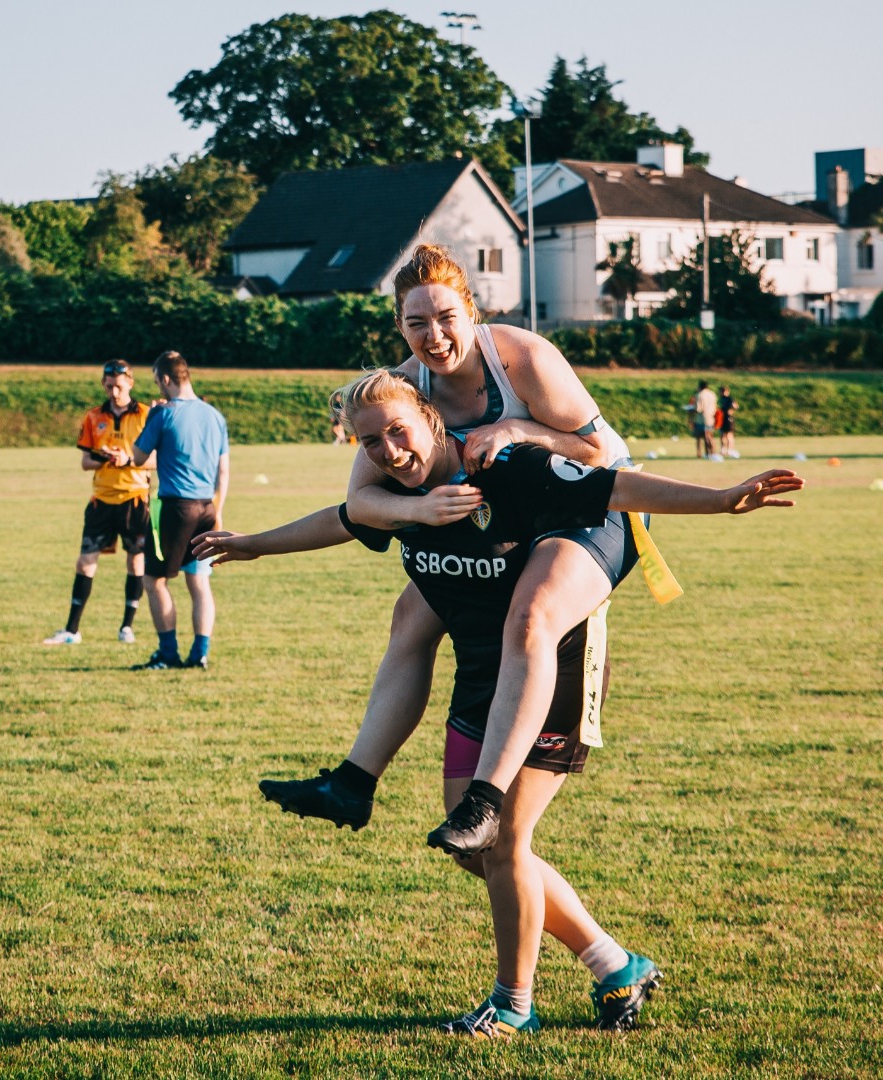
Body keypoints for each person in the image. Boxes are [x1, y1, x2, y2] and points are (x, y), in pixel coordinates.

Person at [193, 369, 803, 1034]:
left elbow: (617, 486)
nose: (390, 451)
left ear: (431, 419)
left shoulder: (504, 467)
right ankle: (616, 964)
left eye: (398, 432)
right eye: (371, 443)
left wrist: (723, 498)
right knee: (475, 848)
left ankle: (513, 1005)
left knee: (507, 838)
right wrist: (252, 544)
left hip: (555, 670)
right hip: (481, 677)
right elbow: (339, 522)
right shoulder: (396, 494)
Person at [257, 243, 647, 858]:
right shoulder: (406, 390)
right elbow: (360, 502)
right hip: (514, 508)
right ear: (399, 326)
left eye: (445, 318)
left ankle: (485, 799)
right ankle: (354, 783)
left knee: (533, 615)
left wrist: (517, 429)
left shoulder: (520, 358)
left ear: (472, 312)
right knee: (411, 614)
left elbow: (597, 455)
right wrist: (415, 510)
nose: (433, 336)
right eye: (416, 323)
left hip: (595, 504)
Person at [43, 360, 152, 647]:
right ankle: (72, 629)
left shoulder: (145, 415)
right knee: (85, 562)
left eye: (119, 385)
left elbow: (157, 459)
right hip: (101, 500)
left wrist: (127, 460)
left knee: (136, 560)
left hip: (135, 499)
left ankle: (127, 627)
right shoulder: (94, 417)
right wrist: (104, 457)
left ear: (130, 382)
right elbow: (85, 461)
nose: (114, 391)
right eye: (109, 386)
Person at [131, 351, 229, 670]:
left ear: (166, 379)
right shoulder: (214, 415)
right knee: (198, 583)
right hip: (207, 507)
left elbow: (137, 456)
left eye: (157, 381)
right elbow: (223, 470)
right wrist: (219, 509)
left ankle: (168, 653)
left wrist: (150, 419)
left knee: (154, 580)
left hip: (175, 508)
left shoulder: (163, 413)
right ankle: (200, 653)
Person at [689, 380, 718, 460]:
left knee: (701, 437)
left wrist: (690, 409)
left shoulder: (699, 395)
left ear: (700, 387)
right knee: (710, 436)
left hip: (701, 419)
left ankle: (702, 453)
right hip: (711, 418)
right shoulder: (712, 394)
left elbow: (698, 409)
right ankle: (713, 452)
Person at [718, 385, 739, 458]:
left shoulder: (729, 399)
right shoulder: (721, 399)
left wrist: (731, 411)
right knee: (722, 435)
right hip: (722, 418)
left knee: (729, 435)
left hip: (728, 418)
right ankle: (723, 449)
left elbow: (735, 406)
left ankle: (730, 449)